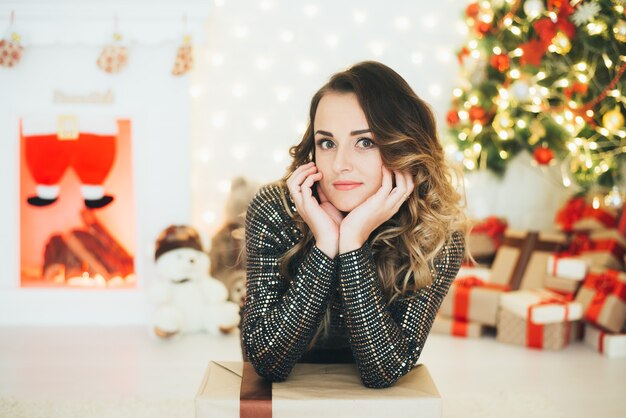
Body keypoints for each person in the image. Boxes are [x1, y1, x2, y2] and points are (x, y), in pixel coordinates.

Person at [241, 61, 468, 389]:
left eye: (365, 142)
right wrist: (324, 246)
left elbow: (385, 372)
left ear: (400, 146)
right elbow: (266, 362)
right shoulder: (276, 207)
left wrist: (351, 242)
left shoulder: (437, 232)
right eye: (327, 143)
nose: (339, 164)